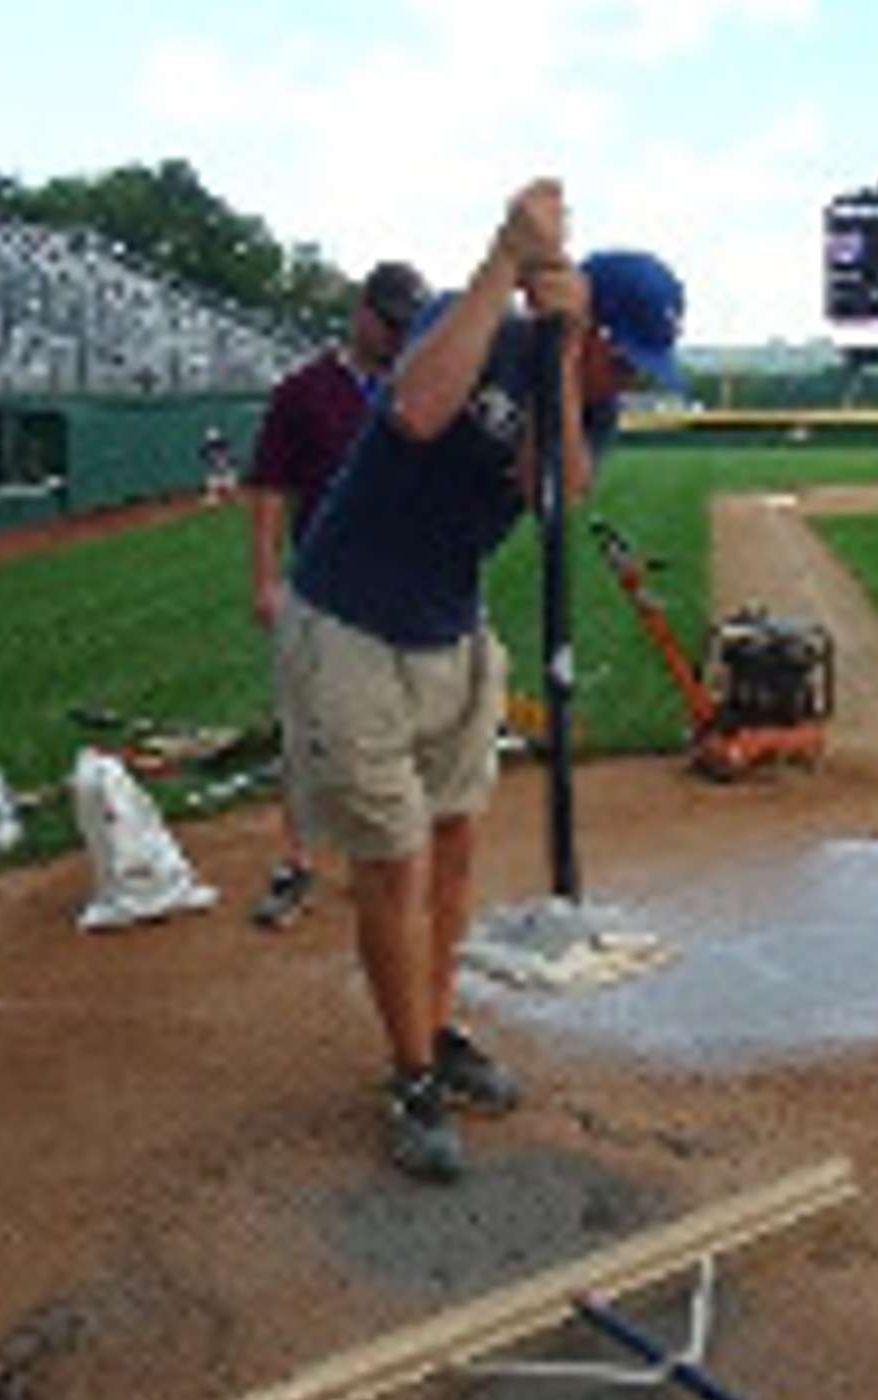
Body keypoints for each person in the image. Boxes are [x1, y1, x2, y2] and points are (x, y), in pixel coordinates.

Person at [275, 178, 685, 1180]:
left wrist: (562, 366)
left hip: (451, 631)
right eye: (624, 364)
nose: (626, 388)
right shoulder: (478, 331)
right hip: (349, 622)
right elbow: (414, 409)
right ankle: (410, 1072)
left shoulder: (579, 391)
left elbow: (552, 490)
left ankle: (437, 1022)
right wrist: (506, 261)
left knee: (454, 846)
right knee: (395, 860)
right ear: (591, 326)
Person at [244, 260, 430, 928]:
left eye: (408, 326)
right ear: (361, 313)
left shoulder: (418, 387)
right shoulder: (303, 392)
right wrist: (265, 578)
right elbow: (270, 487)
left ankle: (384, 861)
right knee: (306, 731)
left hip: (404, 588)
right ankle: (297, 860)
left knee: (400, 729)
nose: (398, 337)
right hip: (320, 589)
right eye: (389, 323)